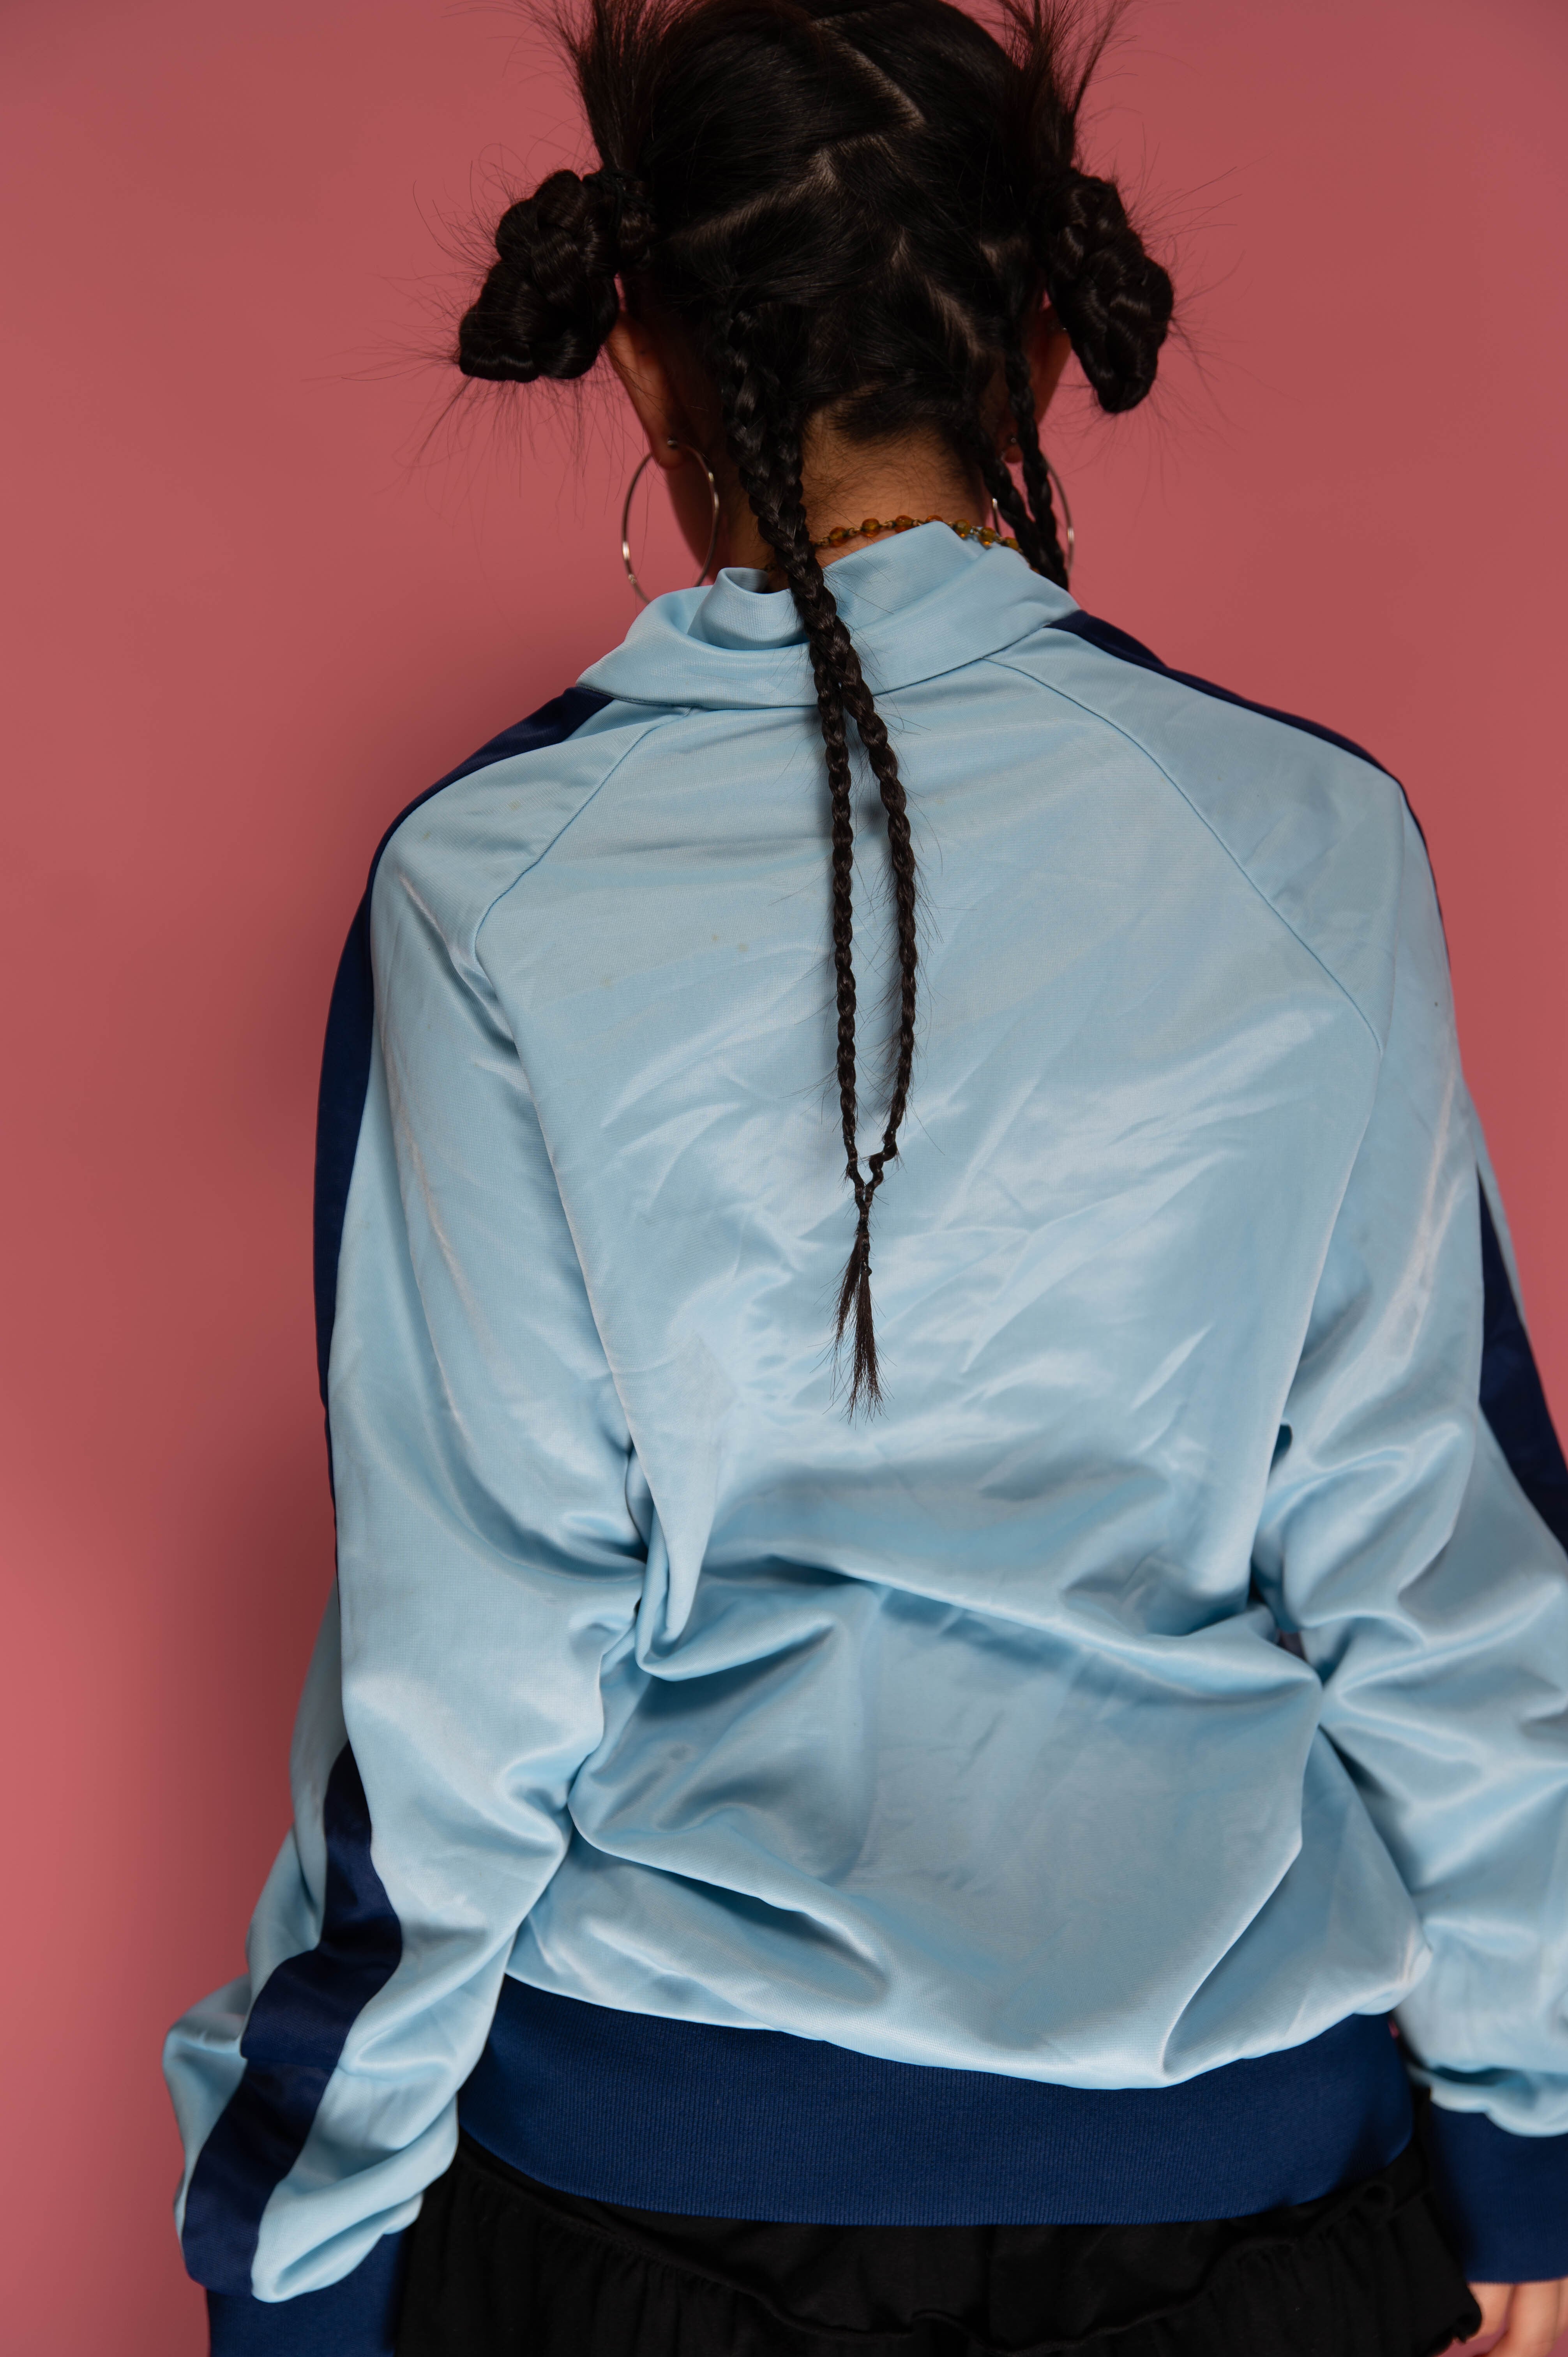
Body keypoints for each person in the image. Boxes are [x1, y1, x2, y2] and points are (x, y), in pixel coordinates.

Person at [162, 0, 1568, 2350]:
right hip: (1250, 2204)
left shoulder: (487, 885)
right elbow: (1439, 1565)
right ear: (1044, 333)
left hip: (646, 2203)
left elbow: (462, 1657)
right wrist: (1530, 2139)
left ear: (633, 343)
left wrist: (298, 2245)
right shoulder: (1312, 842)